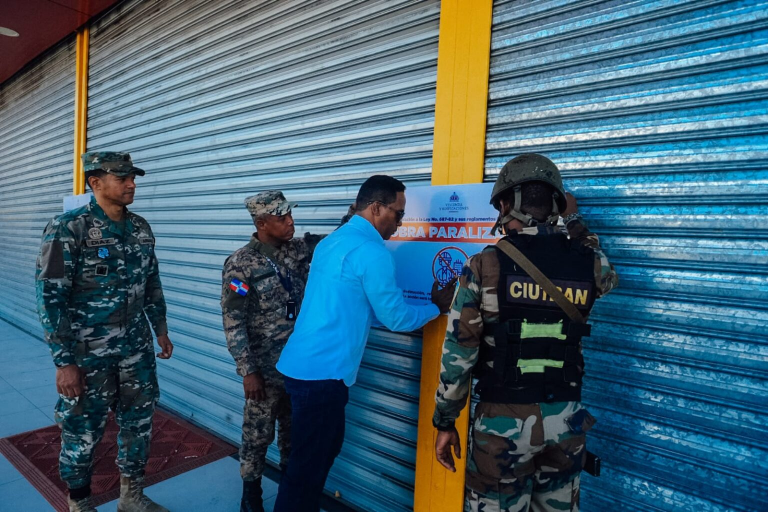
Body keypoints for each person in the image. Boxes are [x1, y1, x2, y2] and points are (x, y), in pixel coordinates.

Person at [432, 154, 619, 512]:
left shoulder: (485, 265)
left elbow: (459, 356)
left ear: (506, 204)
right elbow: (608, 276)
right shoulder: (589, 262)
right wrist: (575, 220)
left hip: (503, 428)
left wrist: (445, 421)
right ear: (557, 205)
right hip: (567, 421)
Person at [273, 175, 457, 512]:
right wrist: (436, 307)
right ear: (376, 208)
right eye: (398, 214)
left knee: (312, 459)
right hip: (322, 377)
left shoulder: (333, 241)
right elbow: (396, 318)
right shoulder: (372, 252)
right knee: (307, 469)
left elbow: (357, 307)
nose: (400, 224)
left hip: (302, 368)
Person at [36, 152, 173, 512]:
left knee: (139, 421)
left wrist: (160, 328)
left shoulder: (140, 228)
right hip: (87, 352)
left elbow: (152, 282)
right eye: (122, 177)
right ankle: (80, 502)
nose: (132, 184)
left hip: (136, 347)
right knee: (82, 428)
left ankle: (131, 495)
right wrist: (63, 361)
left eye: (133, 178)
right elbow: (50, 297)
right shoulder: (67, 228)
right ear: (95, 182)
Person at [220, 191, 324, 512]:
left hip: (299, 367)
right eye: (282, 218)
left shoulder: (299, 250)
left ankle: (292, 496)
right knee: (257, 435)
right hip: (264, 372)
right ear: (262, 223)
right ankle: (250, 496)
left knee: (295, 435)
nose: (291, 222)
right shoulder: (241, 264)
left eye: (290, 214)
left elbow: (336, 241)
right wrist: (248, 371)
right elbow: (233, 321)